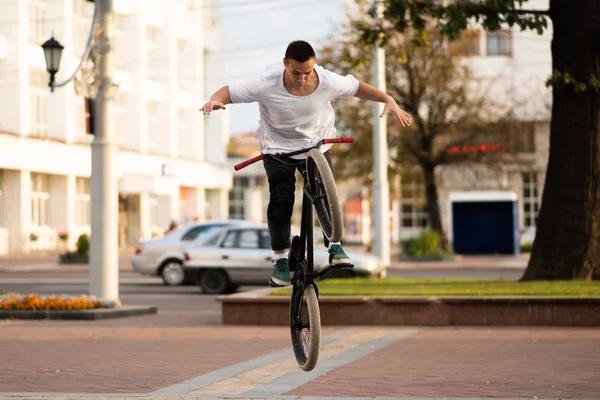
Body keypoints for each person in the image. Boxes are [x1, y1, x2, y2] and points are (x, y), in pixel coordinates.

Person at [201, 40, 412, 287]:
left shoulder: (327, 80)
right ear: (285, 64)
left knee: (323, 192)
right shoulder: (265, 83)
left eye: (307, 73)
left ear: (314, 67)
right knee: (281, 199)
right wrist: (214, 100)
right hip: (277, 149)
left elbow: (357, 88)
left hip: (316, 144)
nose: (302, 79)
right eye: (296, 73)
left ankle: (334, 246)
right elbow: (228, 92)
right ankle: (280, 259)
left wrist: (387, 98)